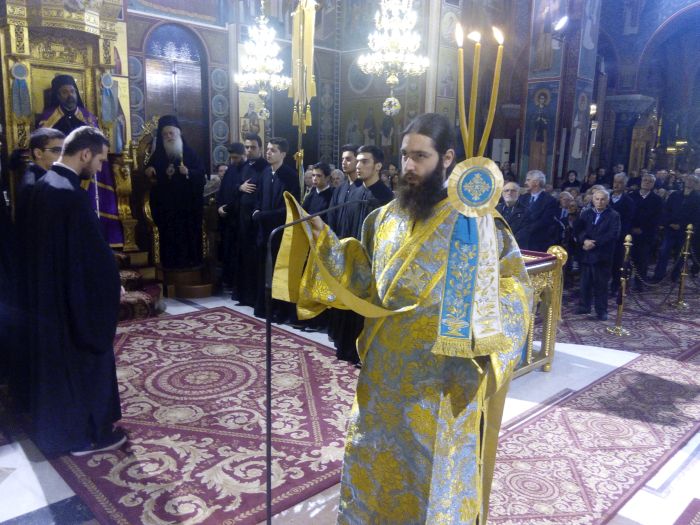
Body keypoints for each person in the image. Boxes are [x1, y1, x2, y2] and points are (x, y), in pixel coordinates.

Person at [273, 113, 531, 523]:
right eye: (405, 155)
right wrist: (323, 242)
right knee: (374, 460)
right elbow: (363, 278)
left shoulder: (478, 225)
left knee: (431, 475)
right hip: (384, 374)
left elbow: (514, 287)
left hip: (443, 378)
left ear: (447, 158)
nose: (409, 166)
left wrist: (478, 334)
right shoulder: (385, 218)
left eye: (420, 156)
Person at [23, 126, 125, 456]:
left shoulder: (43, 184)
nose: (99, 168)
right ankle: (88, 435)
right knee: (85, 362)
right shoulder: (70, 196)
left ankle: (69, 433)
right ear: (85, 154)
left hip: (50, 296)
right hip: (74, 301)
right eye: (100, 160)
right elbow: (91, 259)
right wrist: (112, 285)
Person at [37, 74, 123, 247]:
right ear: (57, 96)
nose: (70, 95)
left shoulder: (88, 117)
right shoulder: (48, 118)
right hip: (61, 170)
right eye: (65, 92)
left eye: (72, 91)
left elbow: (99, 142)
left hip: (88, 169)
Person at [145, 115, 206, 269]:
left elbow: (201, 175)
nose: (169, 136)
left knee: (188, 233)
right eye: (165, 134)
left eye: (171, 133)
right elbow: (149, 172)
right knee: (169, 234)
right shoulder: (158, 154)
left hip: (187, 207)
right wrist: (149, 170)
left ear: (178, 133)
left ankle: (190, 263)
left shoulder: (190, 153)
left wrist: (189, 172)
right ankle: (170, 264)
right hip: (167, 207)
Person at [252, 137, 300, 319]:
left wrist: (264, 215)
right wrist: (257, 210)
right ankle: (263, 307)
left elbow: (290, 207)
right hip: (263, 231)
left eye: (273, 150)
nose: (268, 153)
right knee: (263, 270)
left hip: (280, 231)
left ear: (283, 154)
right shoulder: (265, 172)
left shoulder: (290, 176)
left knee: (278, 272)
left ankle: (279, 311)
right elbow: (258, 197)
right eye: (268, 149)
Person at [574, 189, 620, 320]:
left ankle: (601, 310)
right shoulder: (586, 213)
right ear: (593, 200)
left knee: (601, 284)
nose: (599, 202)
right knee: (585, 283)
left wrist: (595, 243)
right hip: (586, 253)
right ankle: (584, 306)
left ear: (607, 200)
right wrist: (584, 240)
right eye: (597, 199)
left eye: (602, 199)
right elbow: (579, 230)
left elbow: (613, 234)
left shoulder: (614, 215)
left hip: (602, 254)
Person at [235, 134, 268, 306]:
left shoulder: (266, 167)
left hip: (257, 219)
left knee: (256, 258)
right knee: (244, 256)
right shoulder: (243, 166)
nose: (249, 150)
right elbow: (233, 184)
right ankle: (244, 296)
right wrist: (239, 187)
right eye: (247, 147)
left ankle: (255, 297)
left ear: (260, 148)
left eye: (253, 147)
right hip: (243, 218)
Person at [217, 142, 246, 291]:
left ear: (243, 155)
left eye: (236, 157)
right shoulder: (230, 170)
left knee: (237, 251)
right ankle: (227, 280)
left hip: (238, 218)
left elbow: (240, 194)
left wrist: (228, 207)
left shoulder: (246, 169)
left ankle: (236, 283)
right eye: (232, 157)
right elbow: (223, 190)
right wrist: (219, 206)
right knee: (227, 249)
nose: (233, 160)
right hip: (227, 218)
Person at [629, 173, 663, 289]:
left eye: (650, 181)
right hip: (630, 233)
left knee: (642, 260)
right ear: (641, 181)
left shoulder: (657, 200)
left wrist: (642, 229)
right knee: (628, 259)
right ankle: (624, 283)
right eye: (645, 180)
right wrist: (631, 228)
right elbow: (627, 214)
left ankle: (639, 284)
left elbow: (657, 218)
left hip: (646, 234)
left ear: (653, 184)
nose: (647, 183)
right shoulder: (631, 196)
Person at [517, 169, 559, 251]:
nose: (525, 183)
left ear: (536, 182)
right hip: (521, 241)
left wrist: (526, 230)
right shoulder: (522, 198)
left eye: (528, 180)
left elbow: (545, 221)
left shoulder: (550, 200)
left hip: (537, 242)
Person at [609, 173, 636, 294]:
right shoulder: (606, 198)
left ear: (625, 185)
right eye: (615, 182)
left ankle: (615, 286)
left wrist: (618, 233)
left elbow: (628, 220)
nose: (617, 185)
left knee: (617, 262)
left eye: (620, 183)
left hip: (619, 237)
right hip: (603, 235)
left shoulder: (628, 201)